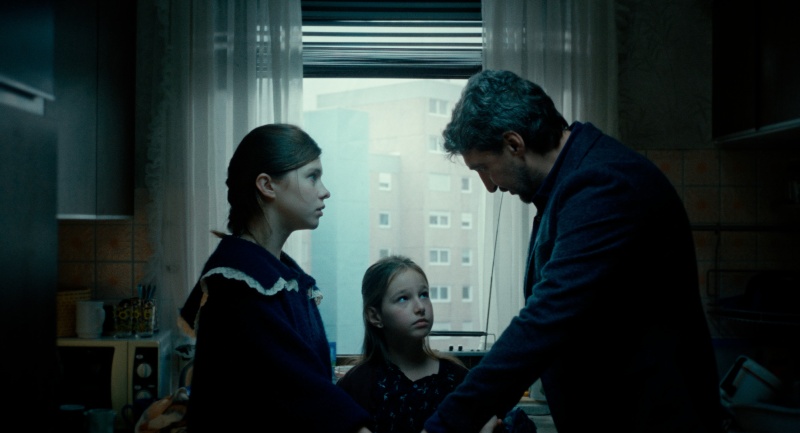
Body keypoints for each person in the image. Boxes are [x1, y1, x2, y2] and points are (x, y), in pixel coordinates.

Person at [422, 70, 724, 433]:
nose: (490, 186)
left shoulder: (604, 185)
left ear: (514, 144)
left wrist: (445, 426)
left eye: (484, 168)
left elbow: (546, 319)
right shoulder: (573, 180)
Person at [178, 124, 372, 433]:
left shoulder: (277, 275)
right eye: (312, 176)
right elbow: (302, 392)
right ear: (267, 185)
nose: (324, 191)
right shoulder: (239, 284)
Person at [337, 255, 505, 433]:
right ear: (375, 316)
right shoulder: (356, 386)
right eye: (403, 298)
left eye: (424, 295)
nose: (420, 307)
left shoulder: (458, 379)